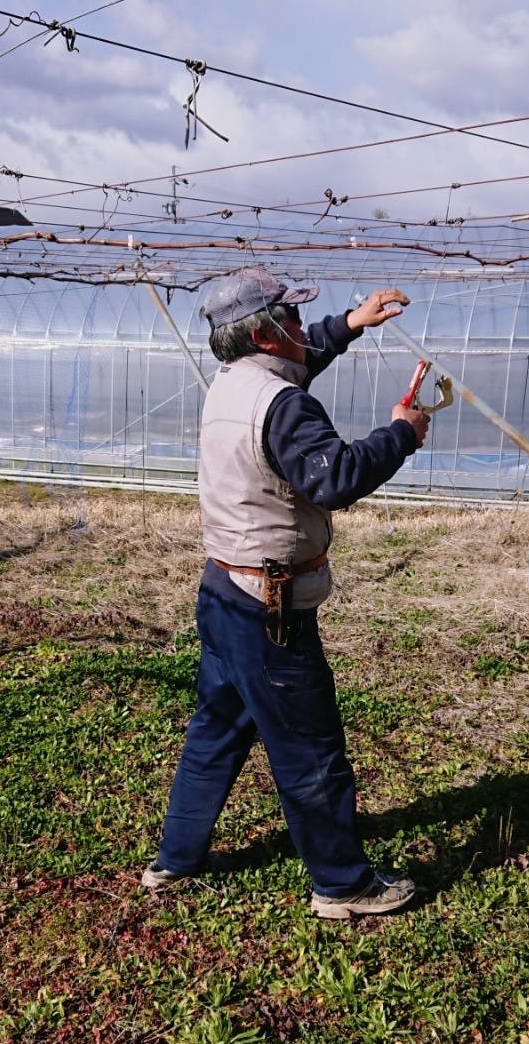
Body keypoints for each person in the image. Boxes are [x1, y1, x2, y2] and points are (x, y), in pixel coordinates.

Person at [141, 266, 430, 921]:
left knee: (215, 731)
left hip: (223, 590)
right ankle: (342, 885)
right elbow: (336, 478)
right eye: (293, 318)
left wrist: (352, 325)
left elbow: (297, 361)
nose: (303, 327)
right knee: (311, 754)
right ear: (267, 333)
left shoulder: (233, 382)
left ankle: (175, 862)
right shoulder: (283, 404)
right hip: (267, 613)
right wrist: (402, 434)